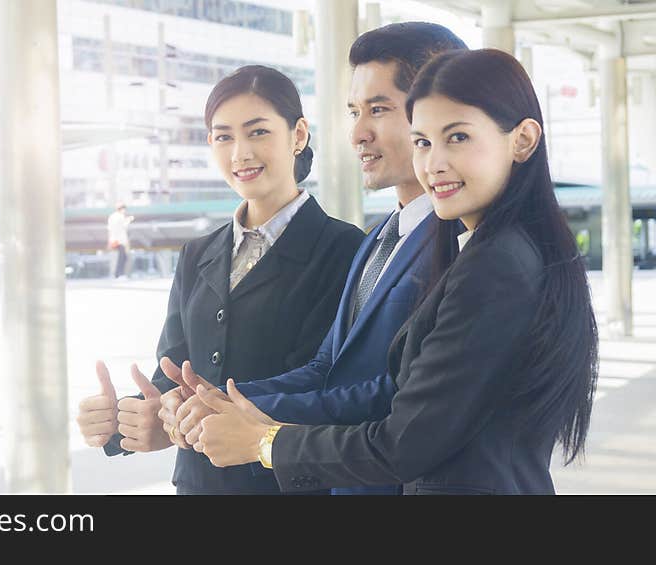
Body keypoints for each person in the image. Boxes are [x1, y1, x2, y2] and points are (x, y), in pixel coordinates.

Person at [192, 48, 600, 495]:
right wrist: (232, 404)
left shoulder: (496, 264)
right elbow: (389, 386)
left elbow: (403, 442)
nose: (434, 163)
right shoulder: (474, 247)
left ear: (522, 140)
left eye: (458, 137)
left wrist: (265, 442)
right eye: (422, 142)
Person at [160, 22, 468, 495]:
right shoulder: (381, 237)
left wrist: (261, 435)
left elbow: (396, 397)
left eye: (379, 109)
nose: (357, 132)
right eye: (353, 111)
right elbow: (329, 368)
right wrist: (214, 402)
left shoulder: (460, 244)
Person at [75, 65, 365, 494]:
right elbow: (173, 373)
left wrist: (188, 413)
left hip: (288, 488)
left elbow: (328, 386)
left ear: (298, 135)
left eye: (258, 132)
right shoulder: (198, 254)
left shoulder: (343, 248)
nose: (240, 153)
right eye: (223, 136)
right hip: (199, 486)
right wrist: (128, 418)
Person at [107, 203, 134, 278]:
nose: (124, 211)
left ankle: (117, 274)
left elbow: (109, 229)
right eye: (124, 209)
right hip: (120, 240)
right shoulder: (121, 216)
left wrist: (109, 241)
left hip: (114, 240)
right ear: (121, 209)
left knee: (120, 257)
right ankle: (119, 274)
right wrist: (129, 219)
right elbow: (124, 226)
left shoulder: (112, 216)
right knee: (122, 257)